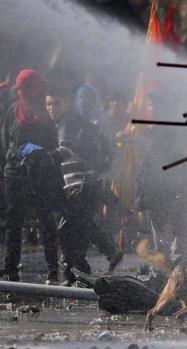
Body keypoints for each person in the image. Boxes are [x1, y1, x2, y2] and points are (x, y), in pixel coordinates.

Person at [0, 69, 66, 283]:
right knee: (13, 223)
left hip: (41, 176)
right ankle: (10, 269)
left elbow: (55, 145)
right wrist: (13, 157)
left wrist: (40, 157)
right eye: (20, 90)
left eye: (26, 89)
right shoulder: (13, 111)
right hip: (15, 175)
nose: (23, 94)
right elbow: (6, 141)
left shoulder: (47, 114)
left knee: (46, 221)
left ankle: (53, 271)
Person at [54, 85, 123, 282]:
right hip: (81, 183)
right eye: (82, 99)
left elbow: (107, 156)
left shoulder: (88, 128)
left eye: (88, 100)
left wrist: (95, 171)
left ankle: (78, 267)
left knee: (74, 225)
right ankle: (78, 269)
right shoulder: (82, 125)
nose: (85, 103)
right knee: (79, 226)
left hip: (84, 184)